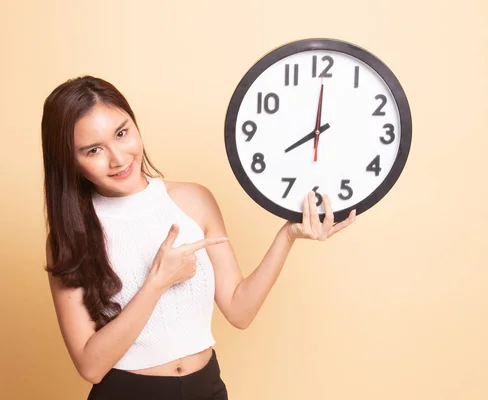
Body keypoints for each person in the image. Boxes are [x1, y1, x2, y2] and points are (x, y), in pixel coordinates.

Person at [41, 75, 356, 400]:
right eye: (94, 150)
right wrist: (158, 282)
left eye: (122, 133)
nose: (118, 158)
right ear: (71, 162)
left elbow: (239, 310)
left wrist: (287, 235)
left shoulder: (194, 200)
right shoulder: (71, 234)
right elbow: (90, 367)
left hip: (206, 387)